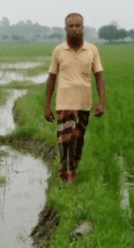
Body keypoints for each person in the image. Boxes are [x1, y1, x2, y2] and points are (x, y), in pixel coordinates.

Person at [44, 13, 106, 183]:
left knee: (78, 141)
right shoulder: (59, 51)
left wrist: (101, 102)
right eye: (70, 26)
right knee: (65, 141)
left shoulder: (92, 50)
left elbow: (99, 77)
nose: (74, 29)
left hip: (84, 104)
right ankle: (66, 177)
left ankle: (74, 171)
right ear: (65, 29)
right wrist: (47, 105)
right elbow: (51, 79)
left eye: (77, 25)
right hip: (64, 104)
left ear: (83, 28)